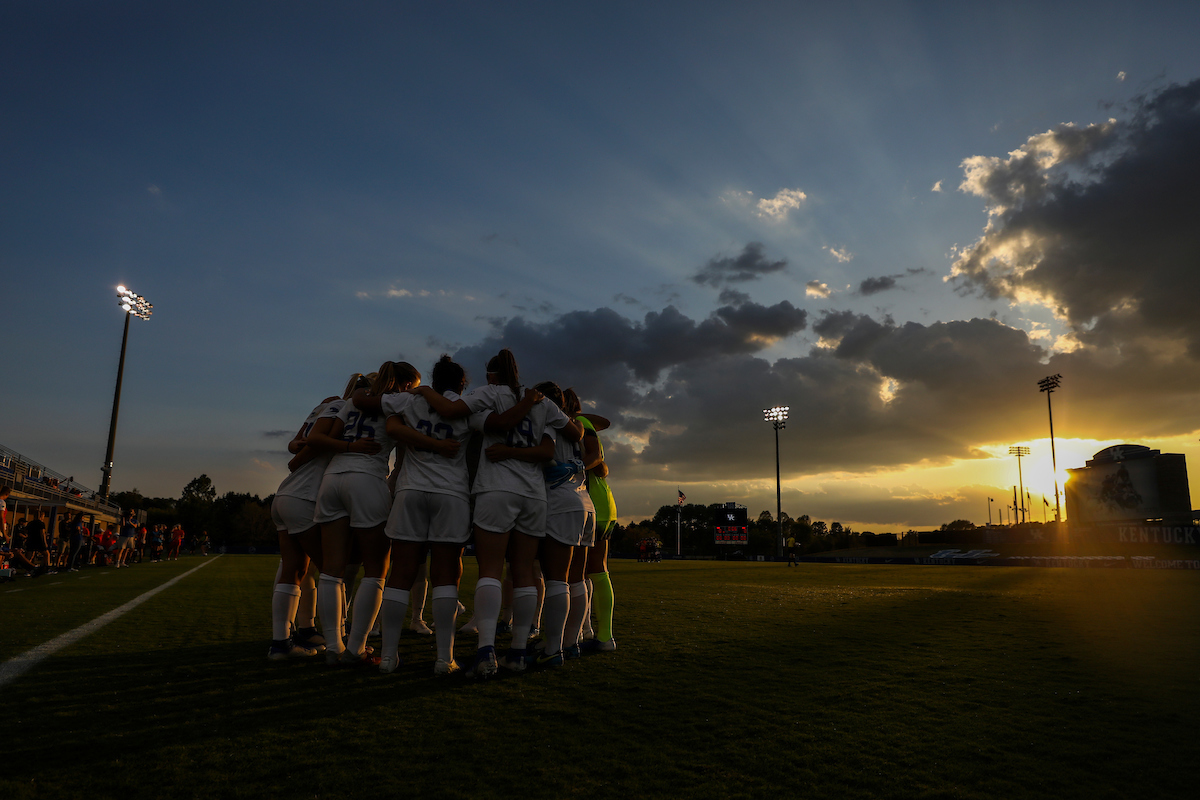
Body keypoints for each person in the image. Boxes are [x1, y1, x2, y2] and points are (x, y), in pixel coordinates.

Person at [414, 348, 581, 677]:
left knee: (490, 570)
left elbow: (461, 413)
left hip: (496, 489)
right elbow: (575, 433)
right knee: (524, 573)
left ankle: (486, 650)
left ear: (492, 375)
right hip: (534, 494)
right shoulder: (540, 402)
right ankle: (517, 651)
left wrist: (423, 392)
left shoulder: (487, 396)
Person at [309, 362, 419, 666]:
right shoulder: (398, 403)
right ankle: (356, 646)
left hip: (332, 479)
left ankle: (334, 646)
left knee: (331, 570)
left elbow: (331, 438)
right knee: (376, 570)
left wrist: (349, 447)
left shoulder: (351, 402)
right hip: (368, 479)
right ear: (404, 385)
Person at [267, 374, 367, 660]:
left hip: (286, 495)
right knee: (331, 573)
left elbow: (296, 443)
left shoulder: (325, 406)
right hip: (305, 497)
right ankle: (342, 639)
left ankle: (281, 643)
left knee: (295, 569)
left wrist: (297, 454)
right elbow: (312, 443)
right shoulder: (343, 409)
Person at [527, 382, 598, 667]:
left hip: (560, 502)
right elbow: (595, 457)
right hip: (584, 502)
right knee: (577, 579)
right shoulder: (576, 426)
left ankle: (553, 650)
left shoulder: (548, 424)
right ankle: (571, 643)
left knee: (556, 579)